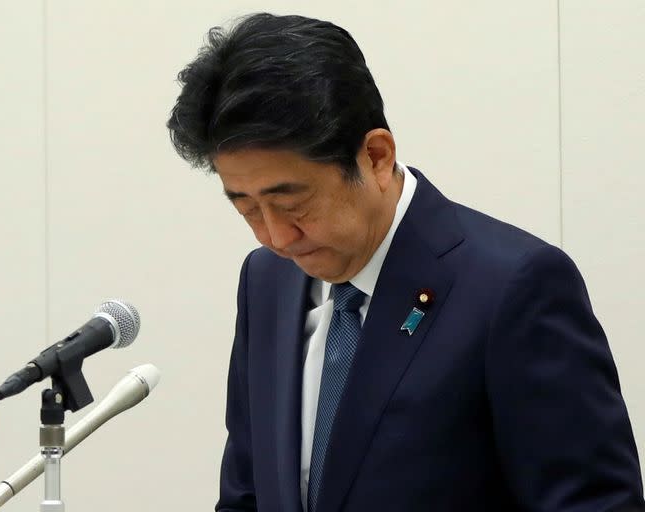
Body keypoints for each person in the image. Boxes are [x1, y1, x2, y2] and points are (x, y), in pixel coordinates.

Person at [166, 12, 643, 512]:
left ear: (374, 156)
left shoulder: (514, 287)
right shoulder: (266, 281)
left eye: (292, 204)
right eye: (246, 208)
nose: (276, 237)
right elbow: (245, 494)